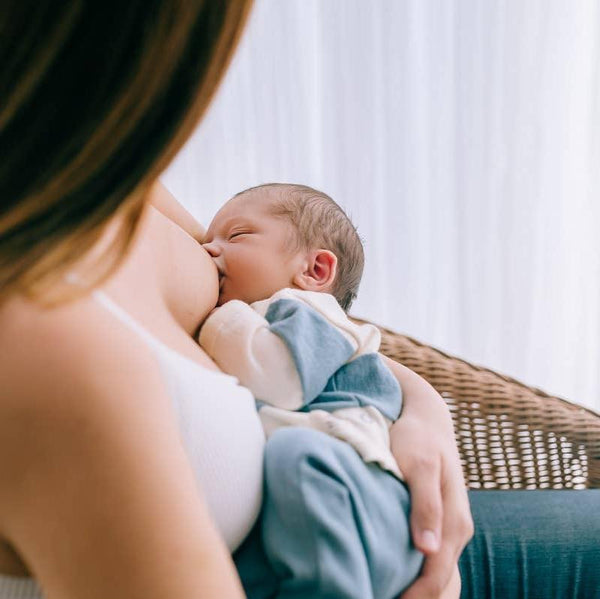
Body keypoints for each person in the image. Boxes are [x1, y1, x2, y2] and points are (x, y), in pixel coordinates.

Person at [2, 2, 597, 599]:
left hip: (380, 509)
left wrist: (419, 406)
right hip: (323, 551)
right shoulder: (38, 343)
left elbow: (299, 333)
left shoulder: (94, 177)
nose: (213, 251)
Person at [198, 182, 450, 598]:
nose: (209, 250)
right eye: (207, 240)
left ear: (315, 271)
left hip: (368, 504)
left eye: (236, 235)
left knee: (297, 455)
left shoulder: (309, 311)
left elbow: (278, 380)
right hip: (327, 528)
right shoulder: (266, 319)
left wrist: (213, 317)